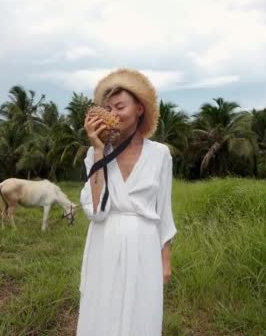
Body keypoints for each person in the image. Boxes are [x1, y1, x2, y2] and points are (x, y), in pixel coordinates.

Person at [76, 68, 177, 335]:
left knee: (142, 312)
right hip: (104, 241)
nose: (113, 114)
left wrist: (165, 260)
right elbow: (96, 211)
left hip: (144, 245)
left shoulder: (160, 155)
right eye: (107, 108)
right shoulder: (95, 153)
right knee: (102, 310)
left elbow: (163, 211)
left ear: (140, 109)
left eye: (119, 106)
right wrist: (98, 149)